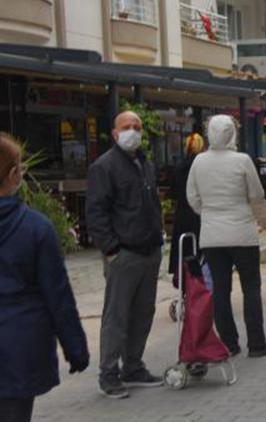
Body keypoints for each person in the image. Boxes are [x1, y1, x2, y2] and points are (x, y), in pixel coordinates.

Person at [0, 134, 89, 421]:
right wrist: (75, 348)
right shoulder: (36, 228)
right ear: (14, 175)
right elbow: (57, 294)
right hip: (20, 346)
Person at [86, 111, 163, 398]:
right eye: (127, 127)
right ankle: (108, 373)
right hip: (124, 254)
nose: (133, 131)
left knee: (143, 313)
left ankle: (133, 366)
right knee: (116, 316)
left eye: (137, 127)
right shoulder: (104, 167)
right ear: (115, 133)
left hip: (149, 251)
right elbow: (96, 212)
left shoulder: (144, 163)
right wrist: (111, 250)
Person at [187, 115, 266, 358]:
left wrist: (208, 212)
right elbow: (257, 194)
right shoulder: (242, 160)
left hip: (212, 236)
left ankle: (229, 342)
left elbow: (192, 197)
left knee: (220, 289)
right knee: (250, 288)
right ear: (232, 134)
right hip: (242, 233)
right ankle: (256, 343)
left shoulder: (199, 162)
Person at [168, 133, 205, 285]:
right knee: (200, 252)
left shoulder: (179, 166)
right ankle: (200, 286)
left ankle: (183, 282)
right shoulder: (202, 166)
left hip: (183, 214)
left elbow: (173, 192)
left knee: (183, 251)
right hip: (199, 213)